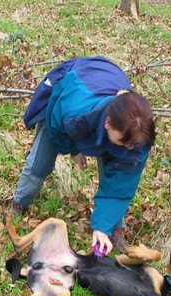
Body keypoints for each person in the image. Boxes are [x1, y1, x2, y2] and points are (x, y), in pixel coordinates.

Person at [11, 56, 156, 255]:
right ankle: (20, 201)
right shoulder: (74, 112)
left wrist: (101, 227)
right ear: (107, 123)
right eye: (125, 142)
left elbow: (121, 186)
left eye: (134, 144)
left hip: (104, 85)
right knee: (40, 164)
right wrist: (73, 149)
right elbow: (56, 124)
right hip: (67, 94)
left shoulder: (139, 137)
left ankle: (114, 228)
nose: (130, 149)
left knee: (114, 172)